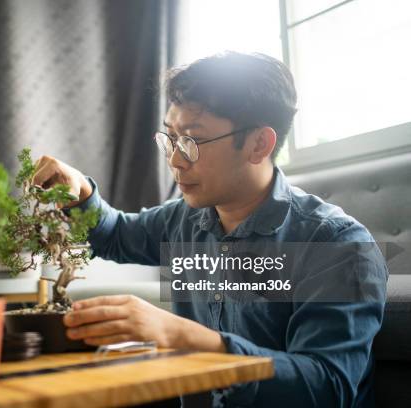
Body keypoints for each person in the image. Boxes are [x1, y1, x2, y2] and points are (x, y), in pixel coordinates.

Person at [31, 51, 387, 407]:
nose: (174, 160)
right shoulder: (182, 219)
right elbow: (116, 235)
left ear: (259, 144)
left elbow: (327, 388)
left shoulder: (337, 244)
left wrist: (185, 336)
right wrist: (82, 192)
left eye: (192, 141)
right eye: (170, 137)